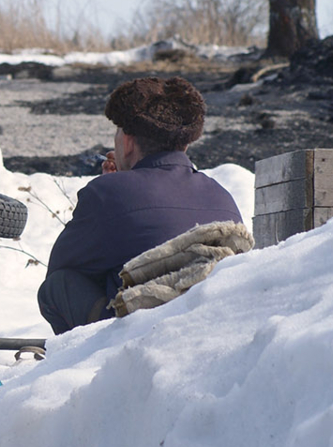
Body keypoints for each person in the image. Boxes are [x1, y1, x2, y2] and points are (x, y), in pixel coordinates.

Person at [38, 76, 242, 335]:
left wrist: (108, 194)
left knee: (57, 286)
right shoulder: (222, 195)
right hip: (211, 324)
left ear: (128, 141)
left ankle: (85, 362)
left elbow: (62, 266)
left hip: (141, 333)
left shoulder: (108, 192)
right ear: (186, 142)